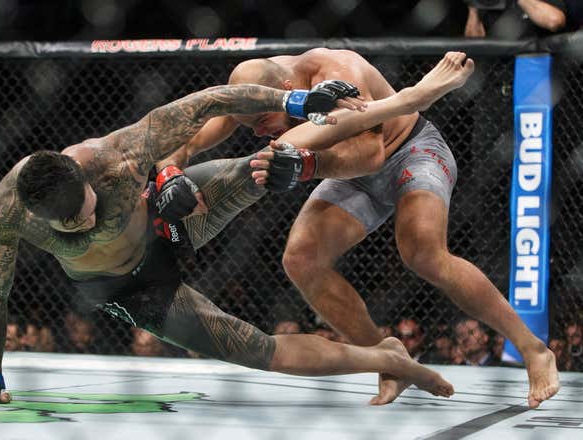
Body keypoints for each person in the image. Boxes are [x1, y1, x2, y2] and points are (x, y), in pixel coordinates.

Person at [0, 64, 470, 406]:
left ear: (85, 176)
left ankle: (405, 102)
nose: (85, 222)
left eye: (88, 209)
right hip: (131, 290)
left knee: (266, 164)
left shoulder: (116, 156)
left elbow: (209, 101)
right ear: (38, 218)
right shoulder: (5, 215)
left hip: (169, 217)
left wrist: (293, 102)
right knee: (254, 350)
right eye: (71, 225)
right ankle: (386, 357)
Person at [167, 48, 559, 408]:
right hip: (341, 165)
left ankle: (532, 348)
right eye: (248, 124)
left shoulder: (337, 73)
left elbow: (370, 155)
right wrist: (171, 173)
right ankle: (388, 360)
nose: (257, 131)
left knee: (423, 253)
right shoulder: (253, 93)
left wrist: (308, 165)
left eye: (262, 121)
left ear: (287, 89)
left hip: (408, 150)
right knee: (301, 259)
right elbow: (188, 139)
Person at [464, 0, 567, 39]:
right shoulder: (490, 3)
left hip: (535, 67)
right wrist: (474, 8)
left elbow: (555, 21)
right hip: (498, 73)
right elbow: (473, 43)